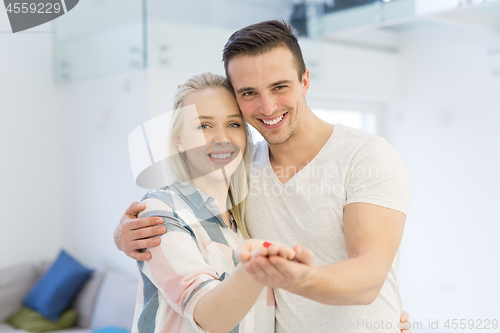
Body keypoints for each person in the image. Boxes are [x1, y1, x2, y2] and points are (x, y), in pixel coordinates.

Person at [117, 21, 412, 333]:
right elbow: (185, 212)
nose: (267, 106)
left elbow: (368, 279)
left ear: (305, 80)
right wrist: (124, 234)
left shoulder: (365, 156)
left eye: (280, 86)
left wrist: (293, 275)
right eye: (249, 92)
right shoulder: (239, 171)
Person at [131, 72, 309, 333]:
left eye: (234, 124)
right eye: (204, 126)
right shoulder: (160, 212)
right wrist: (259, 266)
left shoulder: (247, 218)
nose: (222, 138)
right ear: (179, 140)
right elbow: (210, 318)